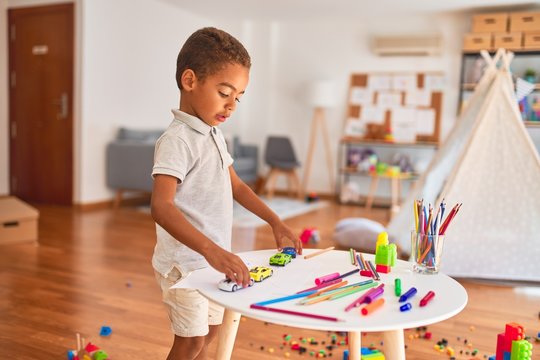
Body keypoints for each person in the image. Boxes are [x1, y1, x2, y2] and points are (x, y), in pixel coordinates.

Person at [150, 27, 302, 360]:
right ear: (190, 81)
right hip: (185, 264)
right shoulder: (177, 140)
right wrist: (212, 251)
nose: (232, 105)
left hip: (212, 262)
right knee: (190, 342)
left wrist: (275, 221)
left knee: (211, 334)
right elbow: (161, 207)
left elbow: (236, 186)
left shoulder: (213, 135)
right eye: (224, 92)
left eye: (239, 96)